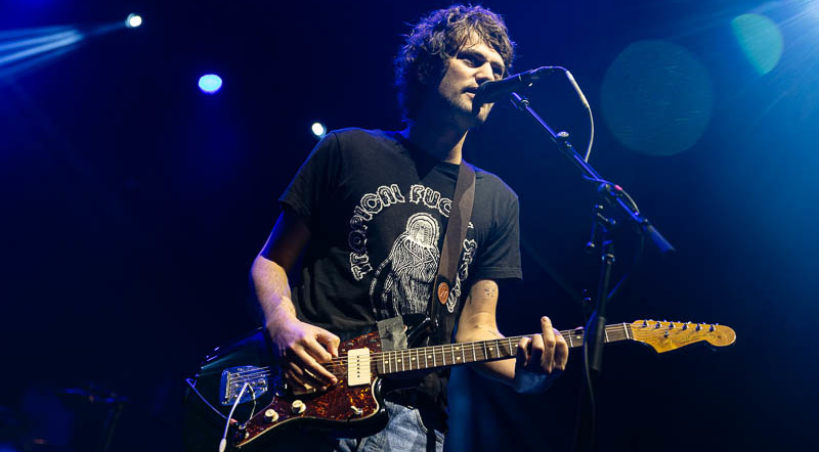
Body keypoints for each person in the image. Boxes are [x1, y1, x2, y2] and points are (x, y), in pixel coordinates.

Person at [250, 5, 569, 451]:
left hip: (410, 423)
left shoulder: (496, 200)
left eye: (498, 69)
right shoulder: (348, 149)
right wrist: (283, 325)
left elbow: (476, 331)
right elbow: (271, 262)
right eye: (472, 59)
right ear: (427, 67)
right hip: (309, 395)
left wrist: (530, 377)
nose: (488, 75)